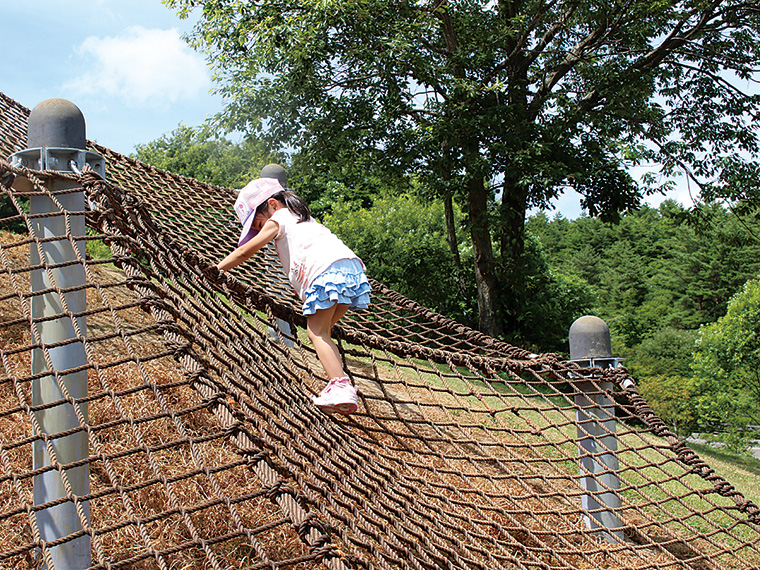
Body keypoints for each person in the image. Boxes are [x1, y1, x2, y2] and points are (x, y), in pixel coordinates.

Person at [217, 177, 371, 414]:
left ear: (273, 204)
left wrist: (217, 268)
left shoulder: (279, 218)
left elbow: (246, 251)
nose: (260, 229)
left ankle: (340, 386)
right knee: (324, 332)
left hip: (325, 273)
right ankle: (340, 384)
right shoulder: (304, 218)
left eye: (258, 223)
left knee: (315, 332)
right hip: (351, 271)